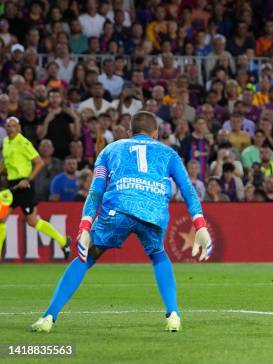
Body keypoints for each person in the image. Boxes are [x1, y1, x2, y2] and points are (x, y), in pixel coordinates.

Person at [31, 111, 213, 333]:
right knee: (158, 254)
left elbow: (95, 191)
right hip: (152, 212)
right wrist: (200, 225)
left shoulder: (110, 149)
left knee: (85, 256)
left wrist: (85, 226)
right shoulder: (169, 153)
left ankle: (49, 317)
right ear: (155, 134)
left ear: (129, 133)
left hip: (117, 210)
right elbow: (187, 189)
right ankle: (173, 313)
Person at [0, 117, 70, 260]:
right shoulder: (6, 142)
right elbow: (5, 162)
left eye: (13, 126)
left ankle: (63, 241)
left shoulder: (24, 143)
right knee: (1, 218)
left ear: (19, 128)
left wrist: (28, 179)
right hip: (11, 185)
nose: (10, 129)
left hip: (24, 186)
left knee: (32, 221)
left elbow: (39, 163)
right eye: (8, 126)